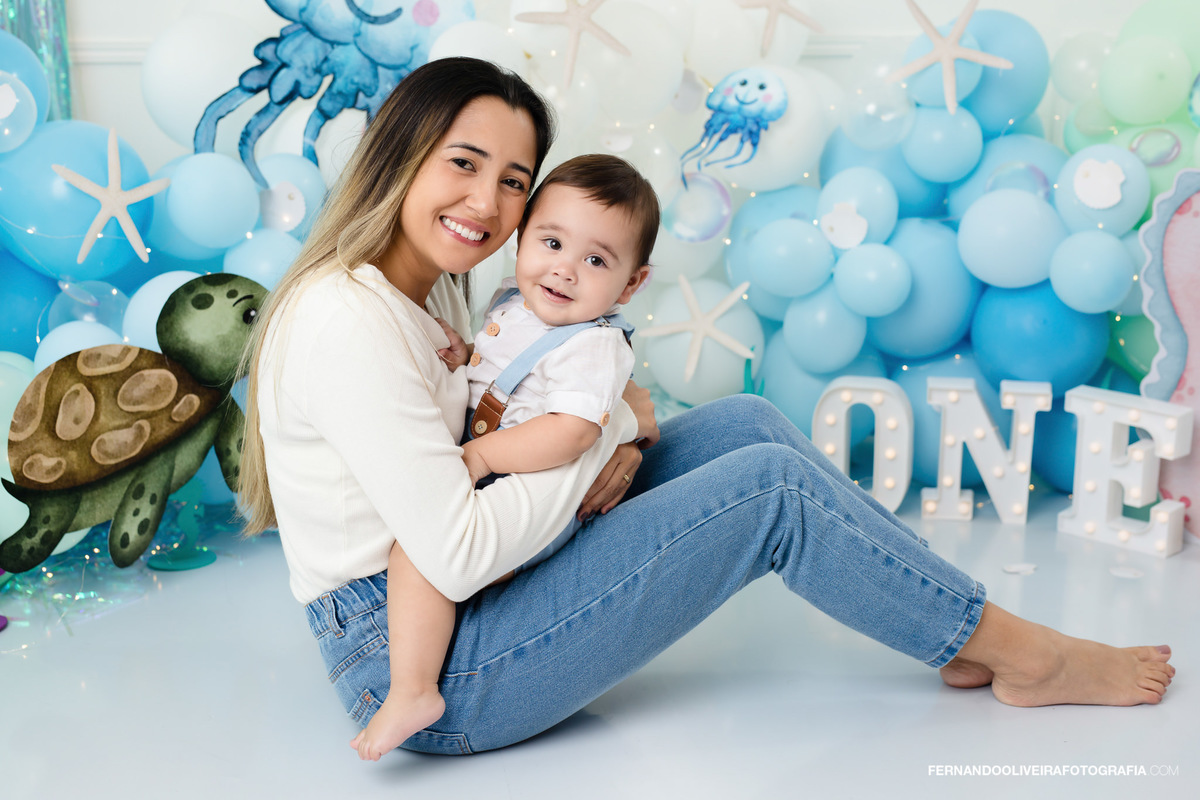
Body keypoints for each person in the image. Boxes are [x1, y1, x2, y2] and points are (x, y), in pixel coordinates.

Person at [239, 57, 1174, 760]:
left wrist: (608, 427)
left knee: (748, 425)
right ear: (401, 154)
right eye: (464, 163)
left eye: (514, 180)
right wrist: (603, 434)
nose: (487, 203)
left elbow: (528, 412)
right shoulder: (344, 321)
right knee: (769, 492)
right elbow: (455, 551)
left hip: (471, 591)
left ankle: (958, 630)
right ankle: (1026, 655)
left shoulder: (435, 286)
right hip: (430, 661)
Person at [350, 154, 658, 760]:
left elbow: (572, 431)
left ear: (629, 285)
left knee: (418, 556)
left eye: (596, 261)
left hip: (528, 489)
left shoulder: (593, 346)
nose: (565, 270)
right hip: (502, 478)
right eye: (552, 243)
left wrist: (483, 455)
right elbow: (507, 374)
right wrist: (465, 357)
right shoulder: (512, 304)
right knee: (436, 561)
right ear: (522, 239)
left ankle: (413, 691)